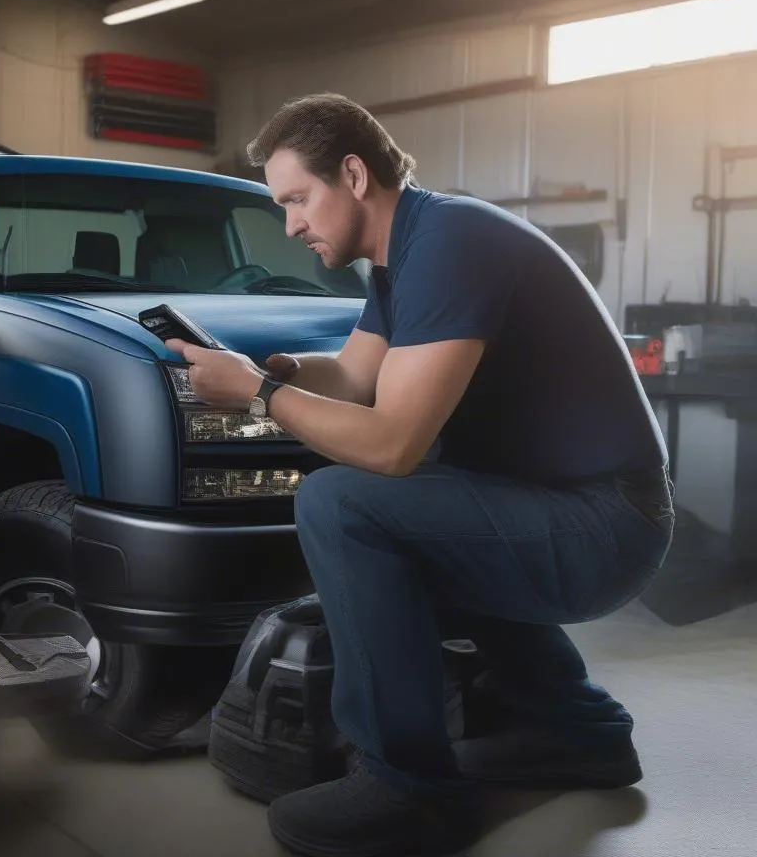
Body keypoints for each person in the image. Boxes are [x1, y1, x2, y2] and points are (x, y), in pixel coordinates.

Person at [166, 93, 674, 857]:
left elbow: (391, 443)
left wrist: (259, 397)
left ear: (353, 174)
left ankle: (410, 790)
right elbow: (350, 374)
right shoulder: (401, 259)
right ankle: (578, 733)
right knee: (424, 503)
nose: (292, 224)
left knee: (345, 503)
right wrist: (269, 369)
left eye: (298, 200)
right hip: (571, 508)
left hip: (608, 523)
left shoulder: (451, 243)